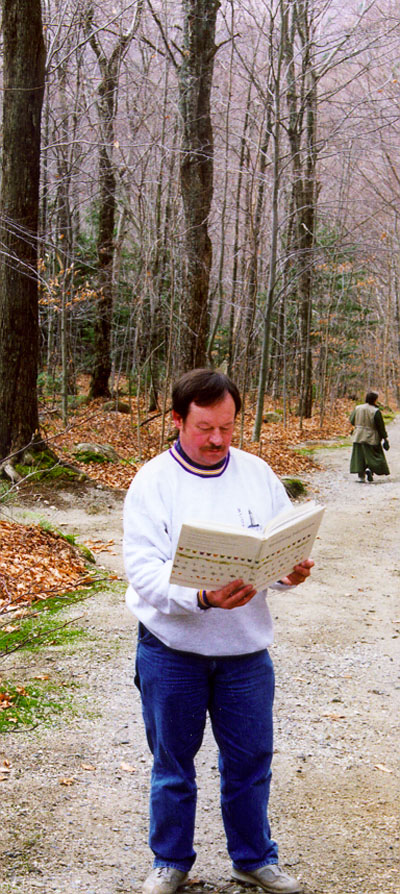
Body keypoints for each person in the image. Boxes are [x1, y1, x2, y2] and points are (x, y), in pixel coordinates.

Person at [123, 369, 314, 894]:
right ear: (178, 420)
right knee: (172, 764)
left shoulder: (257, 474)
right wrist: (202, 597)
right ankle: (170, 861)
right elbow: (142, 569)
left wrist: (290, 570)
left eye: (227, 429)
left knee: (251, 760)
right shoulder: (152, 481)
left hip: (245, 653)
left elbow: (277, 550)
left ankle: (253, 858)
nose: (216, 440)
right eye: (204, 428)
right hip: (171, 649)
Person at [349, 390, 390, 482]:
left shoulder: (358, 408)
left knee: (359, 456)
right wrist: (385, 438)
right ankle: (370, 469)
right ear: (375, 400)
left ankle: (361, 476)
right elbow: (380, 426)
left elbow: (352, 420)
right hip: (372, 436)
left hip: (358, 435)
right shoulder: (375, 411)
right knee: (374, 455)